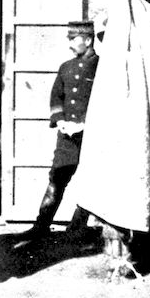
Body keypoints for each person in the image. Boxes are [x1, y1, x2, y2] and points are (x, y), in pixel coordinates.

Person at [17, 20, 99, 239]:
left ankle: (78, 227)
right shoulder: (66, 67)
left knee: (91, 179)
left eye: (73, 39)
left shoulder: (101, 67)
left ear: (88, 40)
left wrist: (85, 124)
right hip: (66, 136)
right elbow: (56, 97)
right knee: (57, 177)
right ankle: (41, 226)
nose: (70, 44)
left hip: (91, 136)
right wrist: (60, 121)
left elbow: (104, 101)